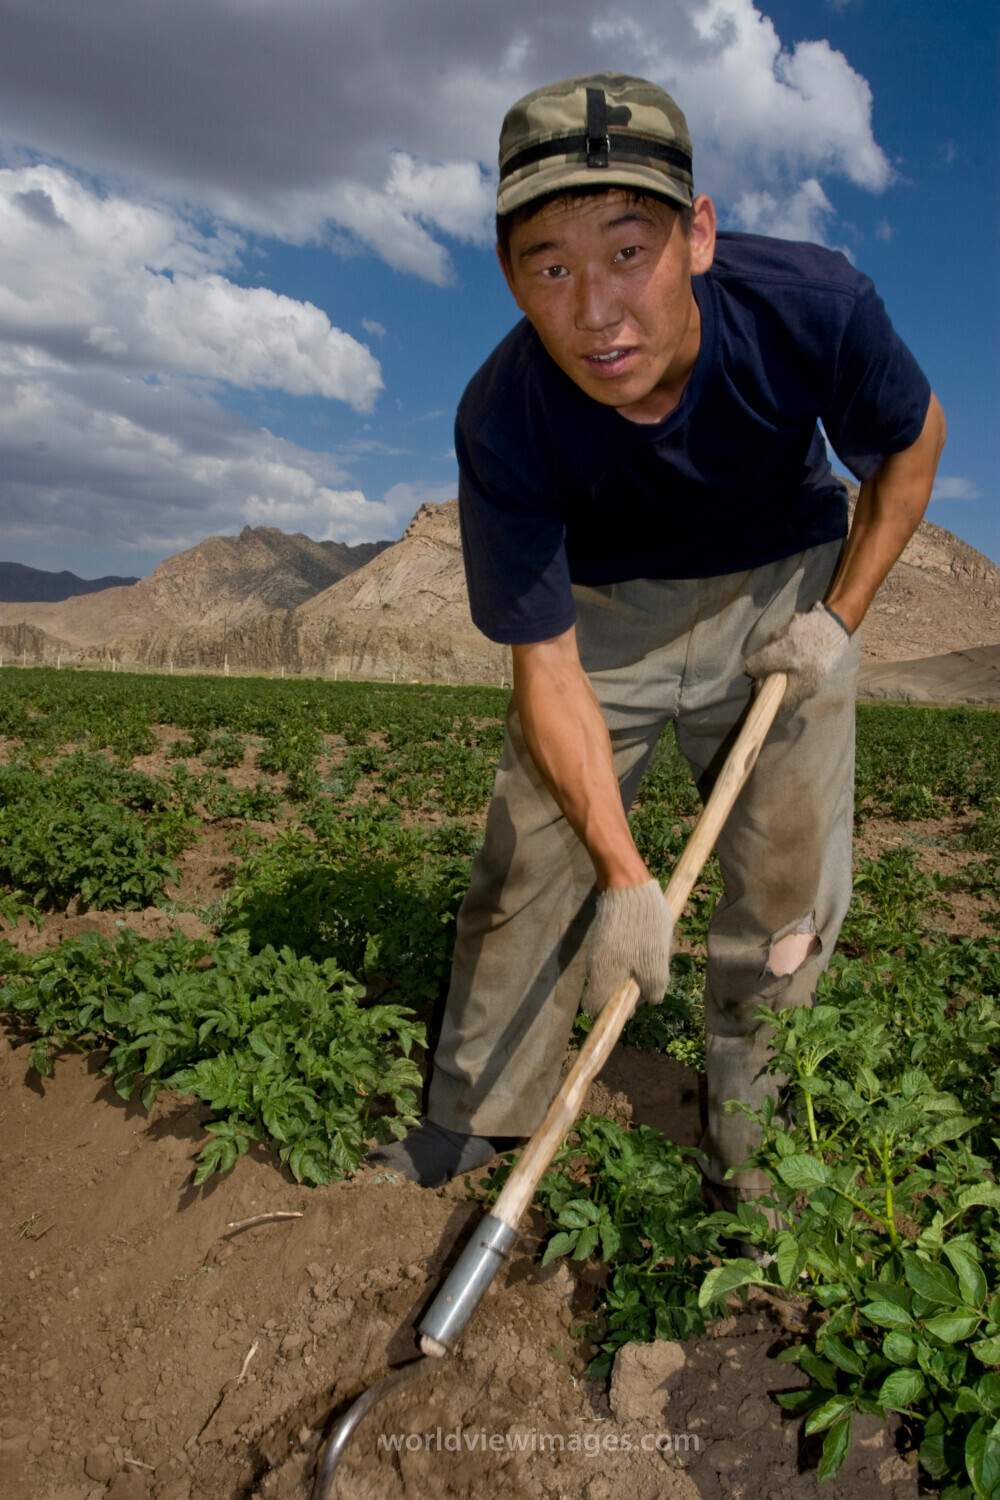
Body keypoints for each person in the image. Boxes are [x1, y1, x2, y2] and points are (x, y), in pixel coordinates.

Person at [368, 72, 945, 1220]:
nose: (595, 311)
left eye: (627, 251)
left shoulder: (810, 307)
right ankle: (480, 1117)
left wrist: (836, 617)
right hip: (606, 611)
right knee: (533, 854)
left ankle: (755, 1148)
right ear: (509, 275)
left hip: (783, 583)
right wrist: (627, 877)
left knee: (786, 885)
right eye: (551, 267)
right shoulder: (505, 415)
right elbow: (546, 666)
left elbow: (909, 447)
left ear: (698, 235)